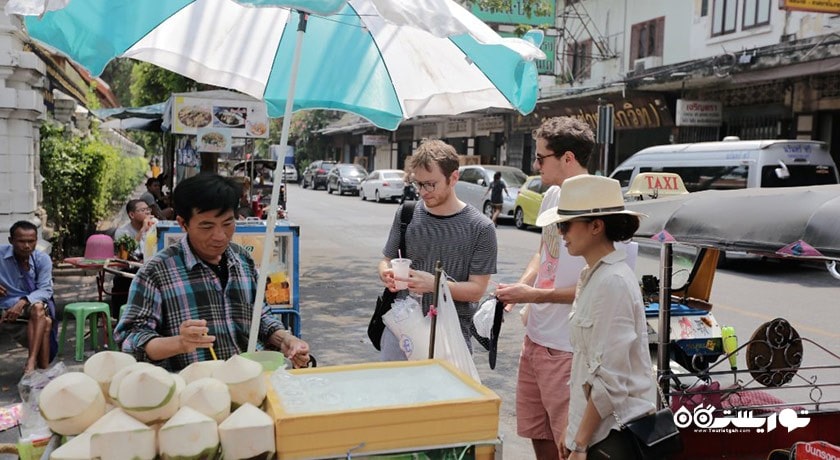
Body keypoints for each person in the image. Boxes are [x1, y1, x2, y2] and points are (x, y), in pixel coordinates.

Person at [115, 173, 310, 372]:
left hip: (249, 380)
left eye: (227, 224)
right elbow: (130, 341)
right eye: (207, 226)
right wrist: (179, 343)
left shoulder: (243, 260)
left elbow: (260, 316)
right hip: (195, 391)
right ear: (183, 224)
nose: (219, 236)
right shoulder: (156, 272)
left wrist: (285, 340)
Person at [493, 116, 594, 460]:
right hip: (535, 337)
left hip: (565, 348)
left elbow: (596, 290)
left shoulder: (600, 206)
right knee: (539, 435)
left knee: (569, 444)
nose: (534, 165)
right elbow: (544, 253)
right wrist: (520, 287)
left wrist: (532, 295)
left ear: (567, 158)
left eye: (540, 158)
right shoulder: (551, 195)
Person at [535, 175, 653, 459]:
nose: (562, 234)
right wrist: (572, 426)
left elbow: (610, 379)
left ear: (596, 227)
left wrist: (580, 442)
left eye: (566, 225)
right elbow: (583, 369)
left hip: (612, 432)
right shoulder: (592, 275)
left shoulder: (612, 282)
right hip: (594, 429)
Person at [377, 139, 497, 360]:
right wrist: (386, 272)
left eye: (430, 184)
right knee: (393, 392)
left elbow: (477, 289)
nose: (423, 192)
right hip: (401, 327)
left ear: (453, 178)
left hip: (450, 335)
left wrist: (434, 284)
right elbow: (387, 258)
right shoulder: (407, 214)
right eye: (418, 184)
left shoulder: (481, 228)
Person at [0, 221, 55, 374]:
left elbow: (45, 290)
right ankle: (43, 370)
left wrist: (23, 301)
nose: (26, 246)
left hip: (29, 306)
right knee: (47, 322)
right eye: (21, 241)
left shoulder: (42, 259)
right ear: (11, 241)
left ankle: (31, 362)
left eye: (31, 241)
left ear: (36, 241)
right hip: (3, 306)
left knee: (38, 308)